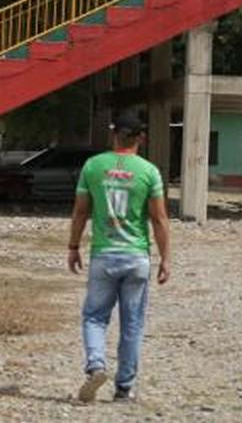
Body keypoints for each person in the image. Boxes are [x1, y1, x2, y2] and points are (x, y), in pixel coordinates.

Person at [67, 111, 171, 404]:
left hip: (103, 255)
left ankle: (96, 366)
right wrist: (165, 259)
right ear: (142, 138)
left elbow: (80, 212)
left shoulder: (93, 166)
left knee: (94, 317)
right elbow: (159, 219)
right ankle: (123, 388)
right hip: (136, 257)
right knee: (132, 324)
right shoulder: (149, 171)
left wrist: (73, 246)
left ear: (114, 135)